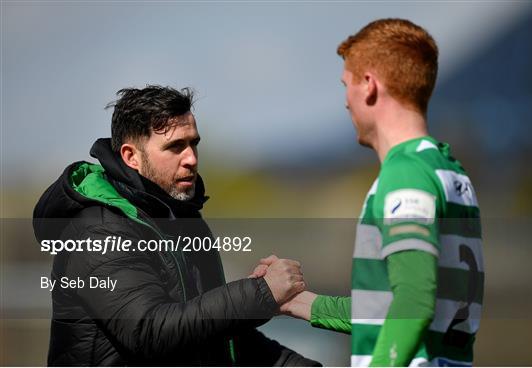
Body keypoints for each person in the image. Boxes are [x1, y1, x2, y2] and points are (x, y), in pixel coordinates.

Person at [33, 85, 320, 366]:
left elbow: (215, 337)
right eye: (175, 147)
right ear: (130, 156)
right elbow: (148, 332)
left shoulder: (183, 221)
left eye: (193, 143)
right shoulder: (98, 229)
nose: (191, 159)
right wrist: (261, 293)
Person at [253, 18, 484, 367]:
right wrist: (297, 303)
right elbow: (396, 306)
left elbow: (414, 301)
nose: (346, 101)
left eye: (346, 84)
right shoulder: (448, 170)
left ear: (369, 86)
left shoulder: (404, 173)